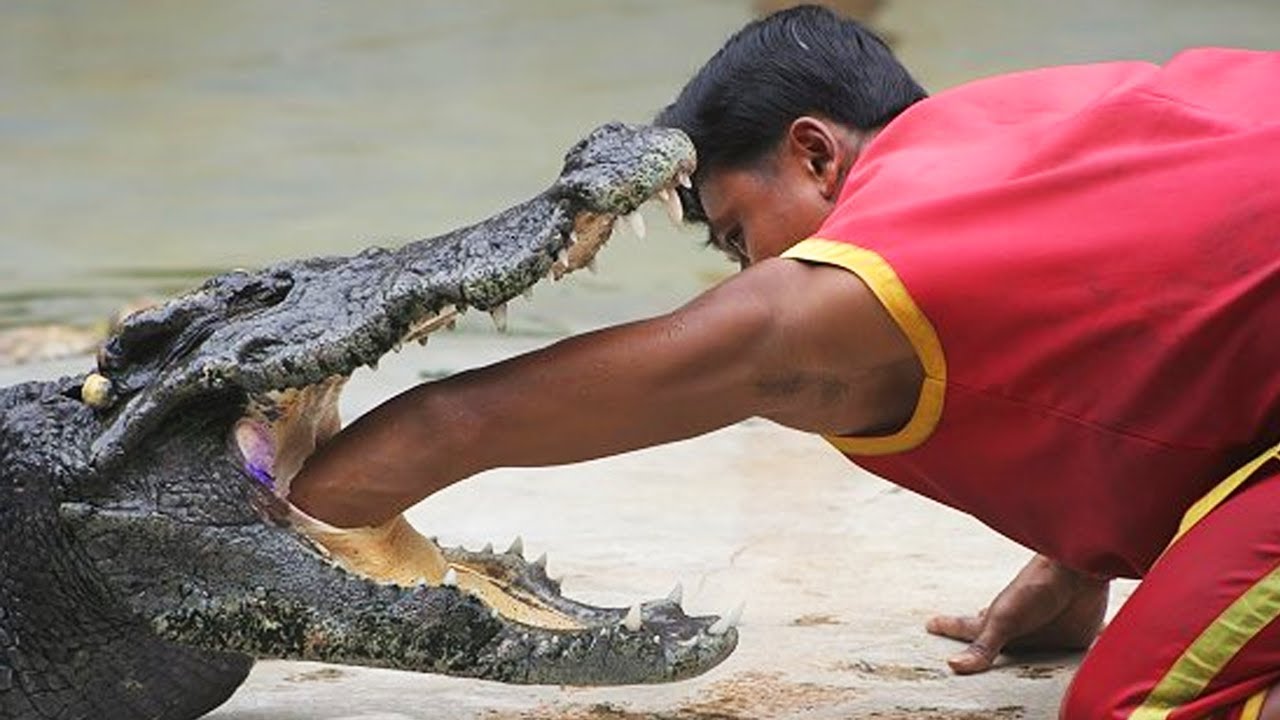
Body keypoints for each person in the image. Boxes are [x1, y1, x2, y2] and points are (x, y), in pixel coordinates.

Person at [288, 6, 1280, 718]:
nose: (748, 269)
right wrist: (1079, 550)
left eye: (733, 234)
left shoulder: (851, 274)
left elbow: (464, 421)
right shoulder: (1018, 124)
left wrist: (272, 504)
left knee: (1134, 705)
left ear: (813, 154)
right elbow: (1180, 302)